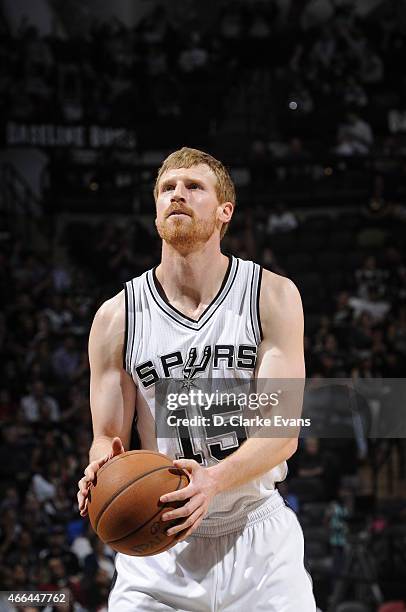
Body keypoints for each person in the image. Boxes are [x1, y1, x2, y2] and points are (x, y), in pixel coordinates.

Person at [77, 147, 316, 610]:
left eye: (193, 187)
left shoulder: (271, 295)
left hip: (256, 538)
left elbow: (281, 432)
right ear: (155, 211)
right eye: (167, 189)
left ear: (225, 211)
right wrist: (101, 466)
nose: (177, 196)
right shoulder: (117, 317)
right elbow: (107, 436)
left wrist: (213, 480)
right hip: (159, 541)